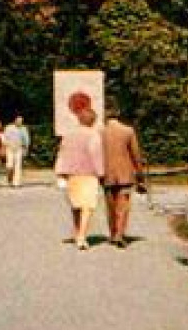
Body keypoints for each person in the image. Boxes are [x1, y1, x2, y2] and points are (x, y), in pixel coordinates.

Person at [54, 92, 105, 250]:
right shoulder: (93, 135)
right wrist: (101, 173)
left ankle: (77, 233)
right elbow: (96, 155)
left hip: (72, 175)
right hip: (88, 175)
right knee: (87, 206)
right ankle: (82, 237)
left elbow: (62, 153)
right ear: (92, 121)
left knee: (75, 206)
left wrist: (60, 172)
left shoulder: (68, 135)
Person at [101, 108, 146, 248]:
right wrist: (139, 173)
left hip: (106, 174)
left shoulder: (100, 132)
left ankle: (113, 233)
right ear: (118, 114)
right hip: (124, 174)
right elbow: (135, 154)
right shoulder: (128, 131)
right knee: (123, 205)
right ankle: (120, 234)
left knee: (110, 205)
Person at [2, 115, 31, 188]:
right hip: (10, 148)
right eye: (18, 120)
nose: (19, 122)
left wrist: (26, 148)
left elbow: (26, 139)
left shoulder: (24, 129)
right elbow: (5, 137)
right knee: (10, 165)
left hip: (19, 148)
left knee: (18, 166)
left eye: (21, 121)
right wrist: (6, 145)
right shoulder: (9, 127)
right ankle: (10, 178)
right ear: (15, 120)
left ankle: (16, 182)